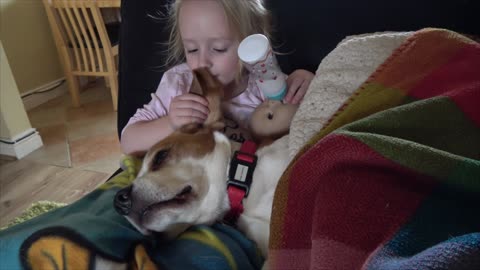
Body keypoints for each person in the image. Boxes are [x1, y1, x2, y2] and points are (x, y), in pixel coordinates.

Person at [120, 0, 314, 155]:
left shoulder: (265, 87)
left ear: (250, 43)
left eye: (218, 48)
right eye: (192, 49)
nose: (203, 61)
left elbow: (309, 127)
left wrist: (307, 85)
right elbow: (129, 141)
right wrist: (171, 123)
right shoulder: (178, 83)